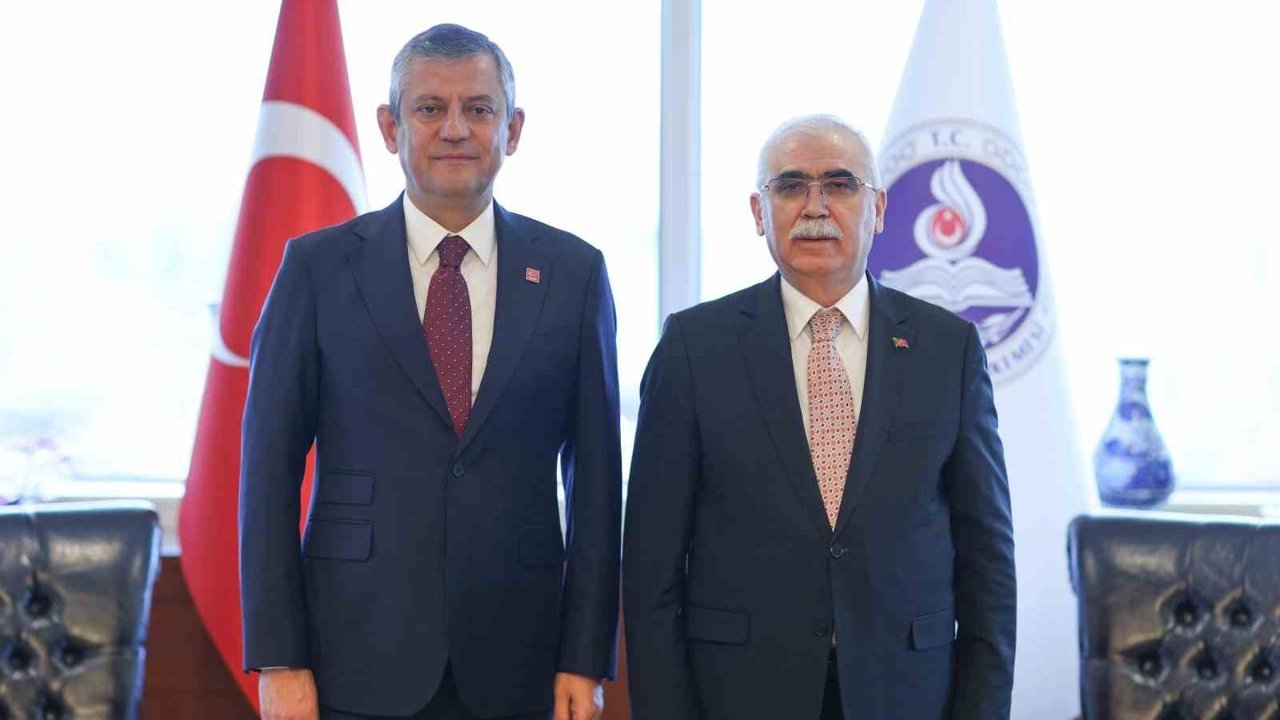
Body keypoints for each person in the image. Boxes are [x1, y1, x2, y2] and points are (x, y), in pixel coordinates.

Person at [239, 24, 621, 720]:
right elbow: (267, 473)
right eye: (429, 108)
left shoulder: (574, 274)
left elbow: (596, 481)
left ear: (512, 129)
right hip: (353, 654)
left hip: (521, 658)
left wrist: (585, 656)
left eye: (478, 108)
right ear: (390, 127)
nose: (454, 129)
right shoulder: (317, 269)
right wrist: (279, 658)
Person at [622, 115, 1015, 720]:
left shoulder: (948, 349)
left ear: (877, 208)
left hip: (907, 690)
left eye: (839, 184)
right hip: (741, 692)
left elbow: (987, 558)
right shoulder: (694, 348)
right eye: (789, 186)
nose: (814, 206)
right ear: (759, 212)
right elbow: (651, 566)